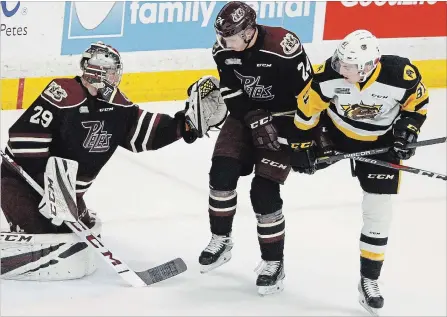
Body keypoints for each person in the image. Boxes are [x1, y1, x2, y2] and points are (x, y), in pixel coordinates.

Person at [0, 41, 227, 281]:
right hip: (23, 185)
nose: (115, 76)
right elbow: (23, 138)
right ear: (98, 73)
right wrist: (49, 188)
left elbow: (145, 133)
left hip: (67, 195)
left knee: (74, 236)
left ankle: (65, 211)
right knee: (47, 238)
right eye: (111, 71)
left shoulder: (117, 106)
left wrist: (185, 125)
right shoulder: (64, 93)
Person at [291, 29, 429, 315]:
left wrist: (408, 131)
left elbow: (417, 105)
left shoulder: (399, 74)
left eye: (349, 66)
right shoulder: (327, 75)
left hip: (381, 143)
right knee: (283, 167)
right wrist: (301, 144)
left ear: (369, 66)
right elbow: (306, 111)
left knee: (378, 212)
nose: (341, 68)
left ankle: (369, 281)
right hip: (335, 135)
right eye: (341, 61)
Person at [198, 1, 314, 295]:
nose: (226, 43)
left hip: (287, 119)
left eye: (232, 37)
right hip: (246, 114)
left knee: (263, 191)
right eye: (222, 37)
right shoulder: (223, 49)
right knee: (221, 174)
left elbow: (310, 96)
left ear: (250, 31)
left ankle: (274, 264)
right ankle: (221, 239)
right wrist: (252, 116)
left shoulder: (282, 47)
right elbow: (230, 89)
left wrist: (304, 139)